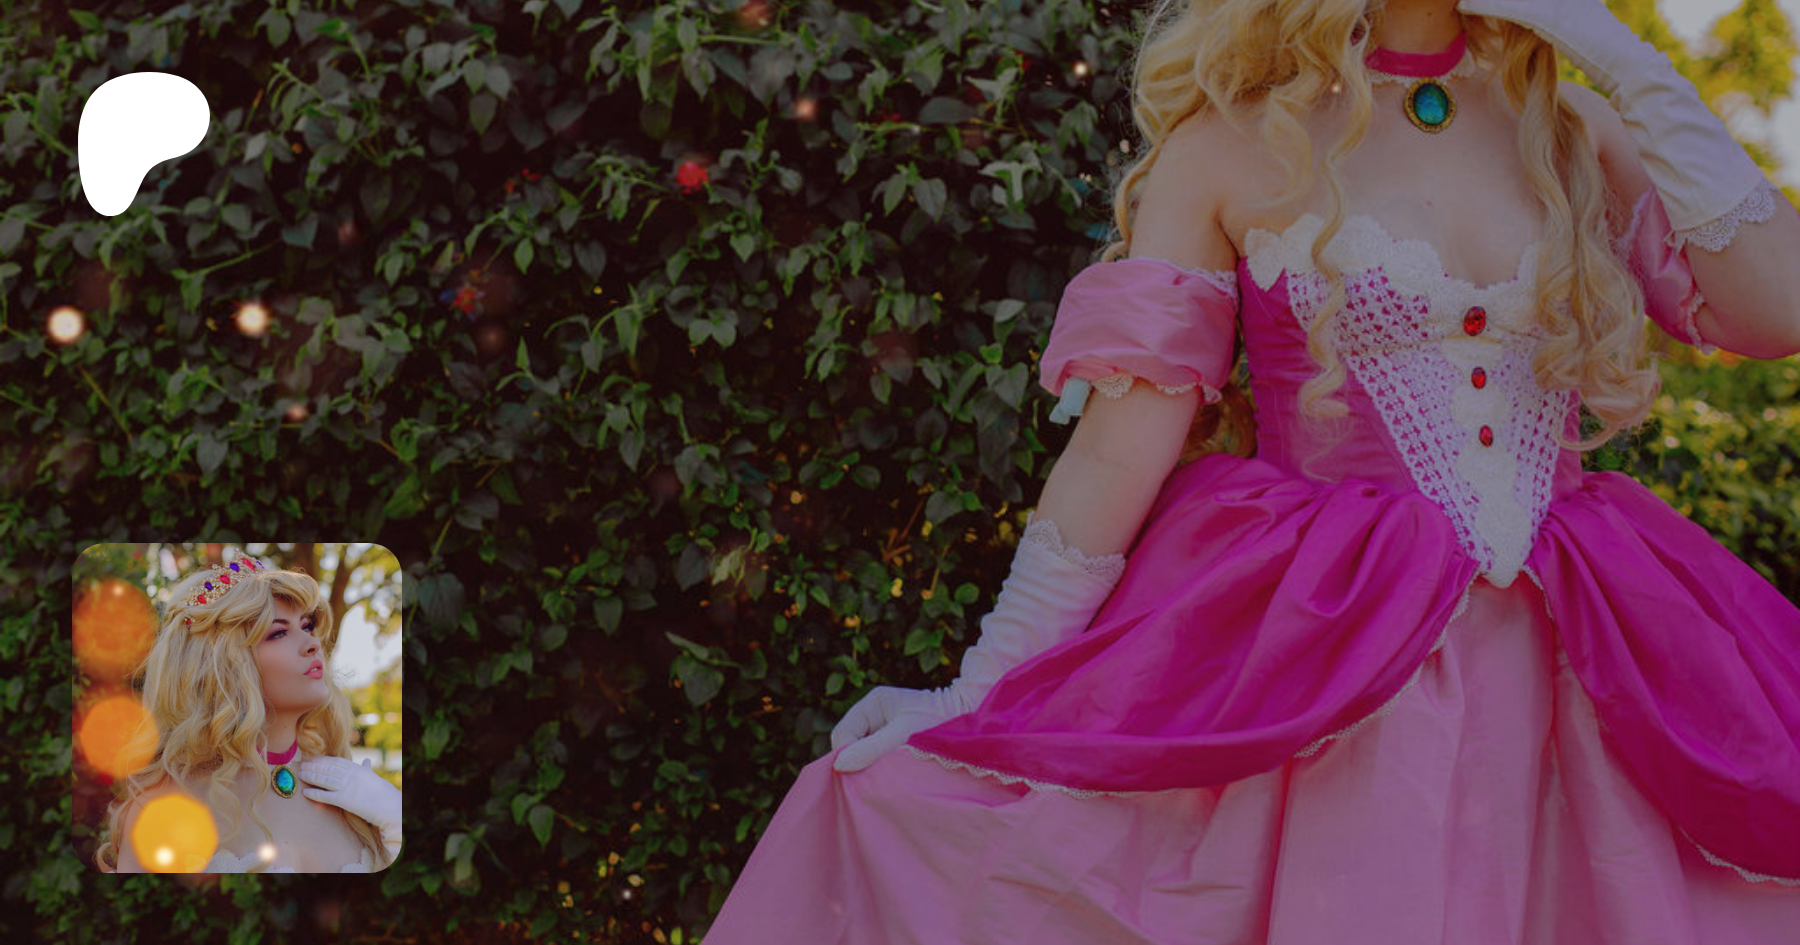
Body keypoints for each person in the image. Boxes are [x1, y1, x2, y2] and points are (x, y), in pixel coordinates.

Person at [702, 0, 1800, 941]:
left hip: (1586, 661)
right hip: (1335, 667)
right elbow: (1120, 447)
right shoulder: (1229, 146)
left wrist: (1626, 59)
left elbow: (1777, 311)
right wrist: (980, 685)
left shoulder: (1574, 127)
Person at [94, 554, 402, 873]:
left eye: (307, 626)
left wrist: (397, 829)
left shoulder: (348, 787)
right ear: (224, 665)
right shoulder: (163, 809)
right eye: (278, 633)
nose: (312, 643)